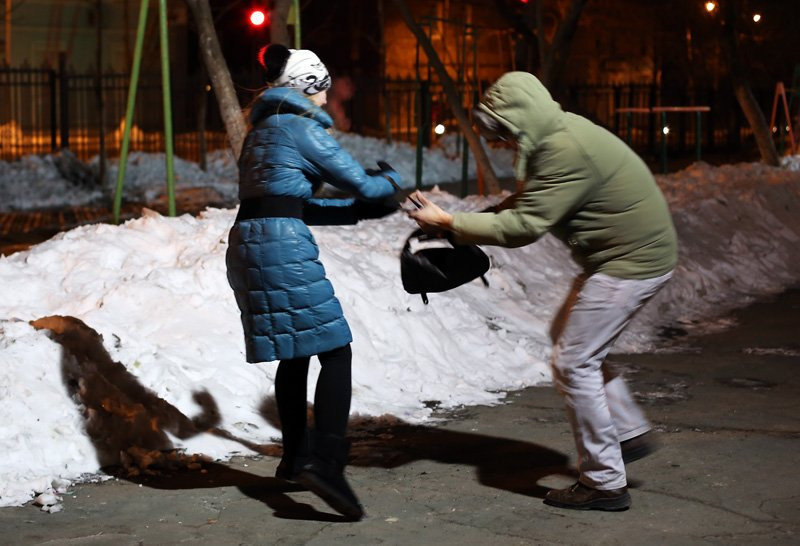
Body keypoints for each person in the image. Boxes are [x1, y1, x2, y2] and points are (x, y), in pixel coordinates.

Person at [407, 71, 678, 512]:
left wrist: (453, 223)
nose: (505, 144)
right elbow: (531, 201)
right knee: (570, 343)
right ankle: (626, 432)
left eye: (505, 134)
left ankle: (604, 482)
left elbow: (526, 226)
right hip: (624, 258)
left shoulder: (563, 150)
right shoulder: (556, 134)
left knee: (574, 361)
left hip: (630, 264)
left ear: (519, 121)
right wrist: (462, 226)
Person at [226, 44, 401, 520]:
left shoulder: (262, 132)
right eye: (323, 84)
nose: (328, 93)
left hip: (249, 242)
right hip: (281, 248)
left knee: (295, 350)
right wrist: (390, 183)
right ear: (310, 85)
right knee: (336, 351)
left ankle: (295, 458)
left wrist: (355, 213)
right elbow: (363, 183)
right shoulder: (301, 127)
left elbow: (286, 203)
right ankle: (326, 464)